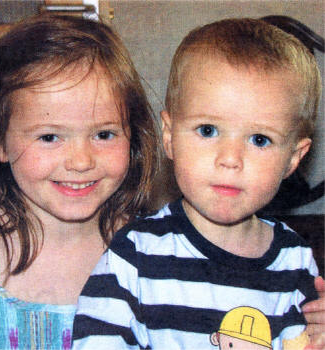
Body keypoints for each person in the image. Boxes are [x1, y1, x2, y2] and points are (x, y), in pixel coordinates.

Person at [72, 18, 324, 349]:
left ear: (293, 157)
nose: (230, 158)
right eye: (208, 130)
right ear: (170, 137)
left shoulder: (295, 261)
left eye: (260, 139)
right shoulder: (136, 253)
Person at [0, 13, 159, 349]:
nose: (81, 161)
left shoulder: (154, 253)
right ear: (0, 142)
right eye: (50, 137)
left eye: (103, 134)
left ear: (134, 136)